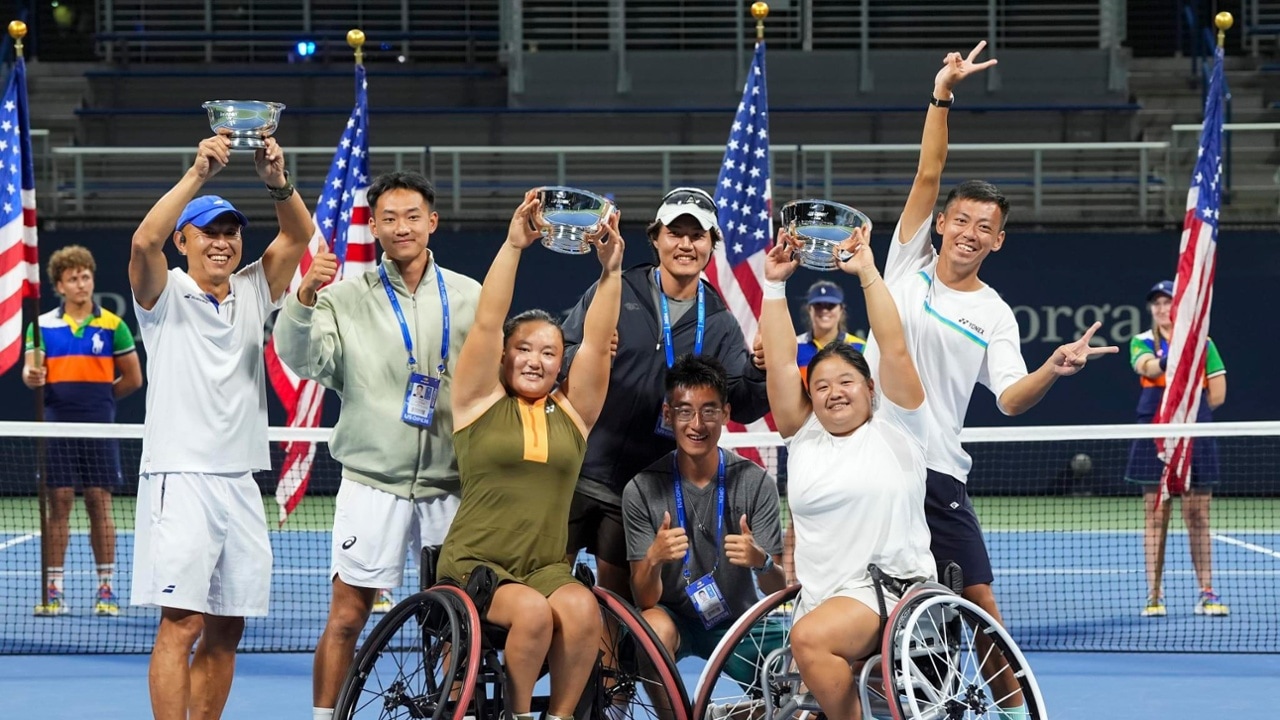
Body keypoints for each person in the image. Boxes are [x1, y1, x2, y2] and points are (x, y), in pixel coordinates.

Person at [861, 42, 1117, 719]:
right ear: (941, 225)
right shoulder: (905, 260)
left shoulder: (994, 312)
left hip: (938, 473)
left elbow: (1008, 398)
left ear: (999, 241)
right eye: (963, 220)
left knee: (980, 608)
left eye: (987, 228)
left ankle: (1011, 713)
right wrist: (942, 93)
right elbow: (928, 171)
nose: (971, 233)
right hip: (869, 462)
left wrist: (1051, 371)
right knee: (850, 595)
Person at [270, 171, 482, 720]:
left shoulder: (469, 295)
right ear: (374, 225)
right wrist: (303, 297)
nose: (402, 227)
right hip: (371, 485)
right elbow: (302, 358)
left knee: (455, 623)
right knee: (345, 618)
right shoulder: (341, 299)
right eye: (389, 217)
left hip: (450, 487)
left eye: (413, 216)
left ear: (432, 222)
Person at [129, 134, 312, 720]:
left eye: (231, 232)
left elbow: (299, 235)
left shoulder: (256, 288)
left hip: (239, 483)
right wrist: (199, 173)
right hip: (180, 479)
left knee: (227, 628)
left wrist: (276, 178)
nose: (222, 242)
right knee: (181, 625)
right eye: (208, 231)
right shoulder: (163, 292)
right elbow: (142, 240)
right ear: (184, 240)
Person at [437, 189, 623, 720]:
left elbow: (597, 339)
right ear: (504, 355)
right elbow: (487, 322)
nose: (536, 360)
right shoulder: (477, 402)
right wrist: (515, 245)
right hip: (476, 564)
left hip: (544, 565)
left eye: (549, 352)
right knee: (535, 617)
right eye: (524, 349)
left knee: (583, 610)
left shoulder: (574, 413)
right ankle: (518, 714)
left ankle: (559, 717)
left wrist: (611, 272)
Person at [562, 186, 771, 599]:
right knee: (547, 587)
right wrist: (586, 353)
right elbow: (563, 350)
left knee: (618, 608)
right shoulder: (615, 289)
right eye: (676, 233)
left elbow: (742, 404)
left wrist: (760, 370)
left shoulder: (719, 322)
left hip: (640, 490)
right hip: (576, 472)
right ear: (655, 237)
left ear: (712, 246)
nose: (686, 244)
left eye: (698, 235)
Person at [759, 225, 930, 720]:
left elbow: (894, 349)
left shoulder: (900, 426)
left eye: (847, 381)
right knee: (807, 637)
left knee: (809, 640)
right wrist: (774, 286)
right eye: (822, 384)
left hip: (891, 591)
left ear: (870, 388)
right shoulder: (805, 435)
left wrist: (868, 273)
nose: (833, 391)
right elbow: (779, 369)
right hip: (821, 598)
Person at [622, 355, 786, 687]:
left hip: (740, 621)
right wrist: (653, 558)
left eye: (709, 410)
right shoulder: (640, 489)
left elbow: (777, 589)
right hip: (675, 619)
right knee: (651, 629)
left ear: (726, 413)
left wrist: (761, 561)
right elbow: (645, 600)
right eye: (684, 411)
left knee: (801, 649)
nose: (697, 424)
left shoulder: (756, 482)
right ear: (668, 416)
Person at [23, 245, 143, 617]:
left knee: (99, 503)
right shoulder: (41, 326)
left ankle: (105, 589)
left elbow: (133, 379)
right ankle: (53, 589)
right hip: (56, 426)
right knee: (58, 504)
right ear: (60, 285)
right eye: (73, 278)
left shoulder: (113, 325)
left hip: (99, 426)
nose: (81, 283)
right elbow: (30, 374)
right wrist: (32, 375)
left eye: (86, 276)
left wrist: (101, 401)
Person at [1125, 280, 1228, 617]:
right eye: (1156, 303)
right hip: (1156, 432)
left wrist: (1191, 413)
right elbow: (1146, 367)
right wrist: (1173, 360)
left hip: (1195, 431)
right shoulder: (1141, 342)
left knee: (1198, 516)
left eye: (1168, 302)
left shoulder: (1204, 344)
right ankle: (1154, 594)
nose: (1161, 308)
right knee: (1156, 515)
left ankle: (1207, 593)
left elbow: (1217, 393)